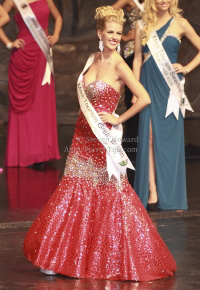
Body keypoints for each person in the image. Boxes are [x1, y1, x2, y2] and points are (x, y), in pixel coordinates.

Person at [23, 6, 176, 281]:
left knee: (110, 195)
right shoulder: (92, 58)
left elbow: (143, 98)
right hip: (82, 136)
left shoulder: (119, 64)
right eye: (111, 32)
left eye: (119, 33)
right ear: (99, 32)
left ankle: (113, 257)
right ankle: (58, 257)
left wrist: (119, 118)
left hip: (104, 140)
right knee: (73, 191)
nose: (116, 37)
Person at [133, 0, 200, 210]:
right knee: (150, 138)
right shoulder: (141, 24)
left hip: (170, 88)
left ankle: (170, 193)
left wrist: (187, 68)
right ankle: (152, 190)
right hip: (147, 85)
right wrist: (135, 89)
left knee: (169, 141)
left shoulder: (180, 23)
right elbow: (136, 58)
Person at [0, 0, 62, 167]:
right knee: (24, 110)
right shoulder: (12, 1)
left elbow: (58, 17)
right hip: (22, 56)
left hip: (42, 56)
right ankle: (23, 154)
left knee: (41, 105)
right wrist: (8, 43)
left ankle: (42, 152)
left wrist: (55, 35)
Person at [112, 0, 144, 166]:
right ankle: (131, 146)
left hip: (150, 52)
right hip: (133, 52)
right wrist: (123, 36)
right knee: (132, 98)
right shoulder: (128, 1)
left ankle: (144, 143)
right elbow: (105, 13)